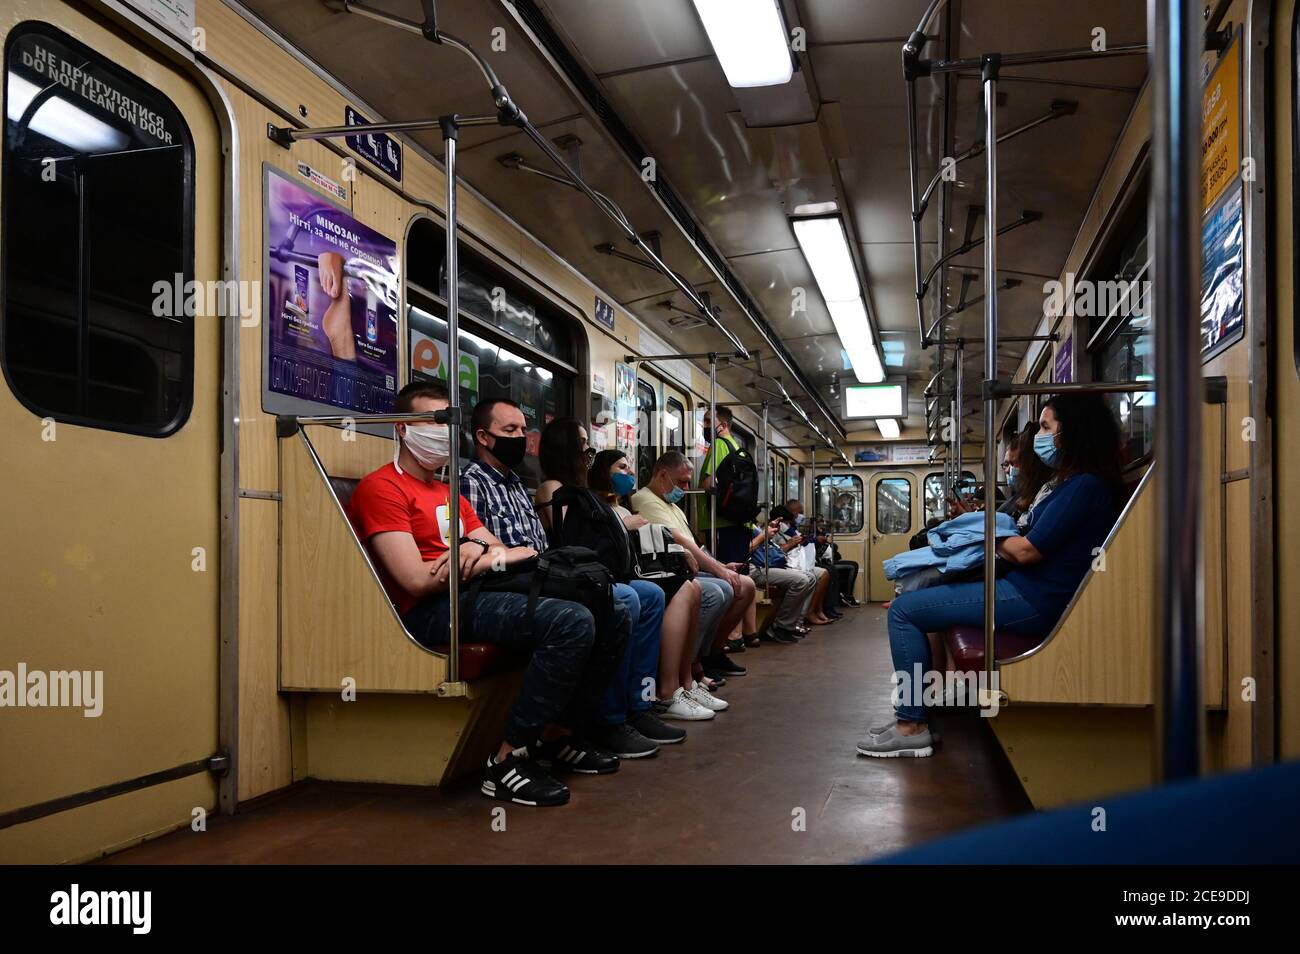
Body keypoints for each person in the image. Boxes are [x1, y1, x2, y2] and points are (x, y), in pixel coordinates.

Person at [347, 382, 623, 807]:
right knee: (571, 621)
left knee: (611, 608)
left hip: (471, 592)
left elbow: (505, 550)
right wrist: (482, 553)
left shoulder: (448, 492)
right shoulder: (383, 489)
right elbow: (417, 580)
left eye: (447, 422)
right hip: (430, 611)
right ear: (403, 428)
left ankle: (562, 732)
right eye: (432, 422)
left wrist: (473, 551)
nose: (442, 431)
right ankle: (507, 760)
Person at [858, 393, 1123, 758]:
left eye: (1046, 427)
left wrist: (986, 534)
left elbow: (1027, 551)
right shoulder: (1068, 485)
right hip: (1027, 590)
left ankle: (911, 724)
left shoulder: (1084, 487)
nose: (1039, 437)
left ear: (1071, 433)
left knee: (904, 612)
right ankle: (914, 715)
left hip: (1037, 599)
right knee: (912, 603)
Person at [463, 406, 667, 760]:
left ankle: (614, 713)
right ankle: (601, 721)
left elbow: (538, 547)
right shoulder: (474, 482)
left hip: (536, 571)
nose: (520, 438)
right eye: (510, 429)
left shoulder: (513, 484)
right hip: (507, 581)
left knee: (643, 596)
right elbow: (492, 550)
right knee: (614, 604)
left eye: (524, 429)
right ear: (483, 437)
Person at [586, 448, 726, 721]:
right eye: (622, 468)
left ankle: (686, 683)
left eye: (629, 468)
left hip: (639, 569)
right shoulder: (597, 507)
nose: (630, 473)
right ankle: (666, 690)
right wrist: (625, 526)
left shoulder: (625, 506)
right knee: (684, 589)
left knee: (693, 588)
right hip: (624, 573)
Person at [631, 451, 758, 680]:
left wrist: (720, 566)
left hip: (688, 568)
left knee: (746, 585)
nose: (686, 488)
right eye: (682, 482)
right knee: (720, 591)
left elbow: (694, 548)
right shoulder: (645, 499)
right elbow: (680, 541)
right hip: (668, 572)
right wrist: (718, 570)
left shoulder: (673, 507)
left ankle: (712, 653)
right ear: (662, 475)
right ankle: (691, 662)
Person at [695, 406, 752, 565]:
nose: (705, 426)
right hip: (737, 523)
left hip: (721, 523)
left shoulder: (720, 444)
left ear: (724, 425)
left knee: (725, 574)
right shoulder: (736, 446)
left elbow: (709, 484)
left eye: (708, 421)